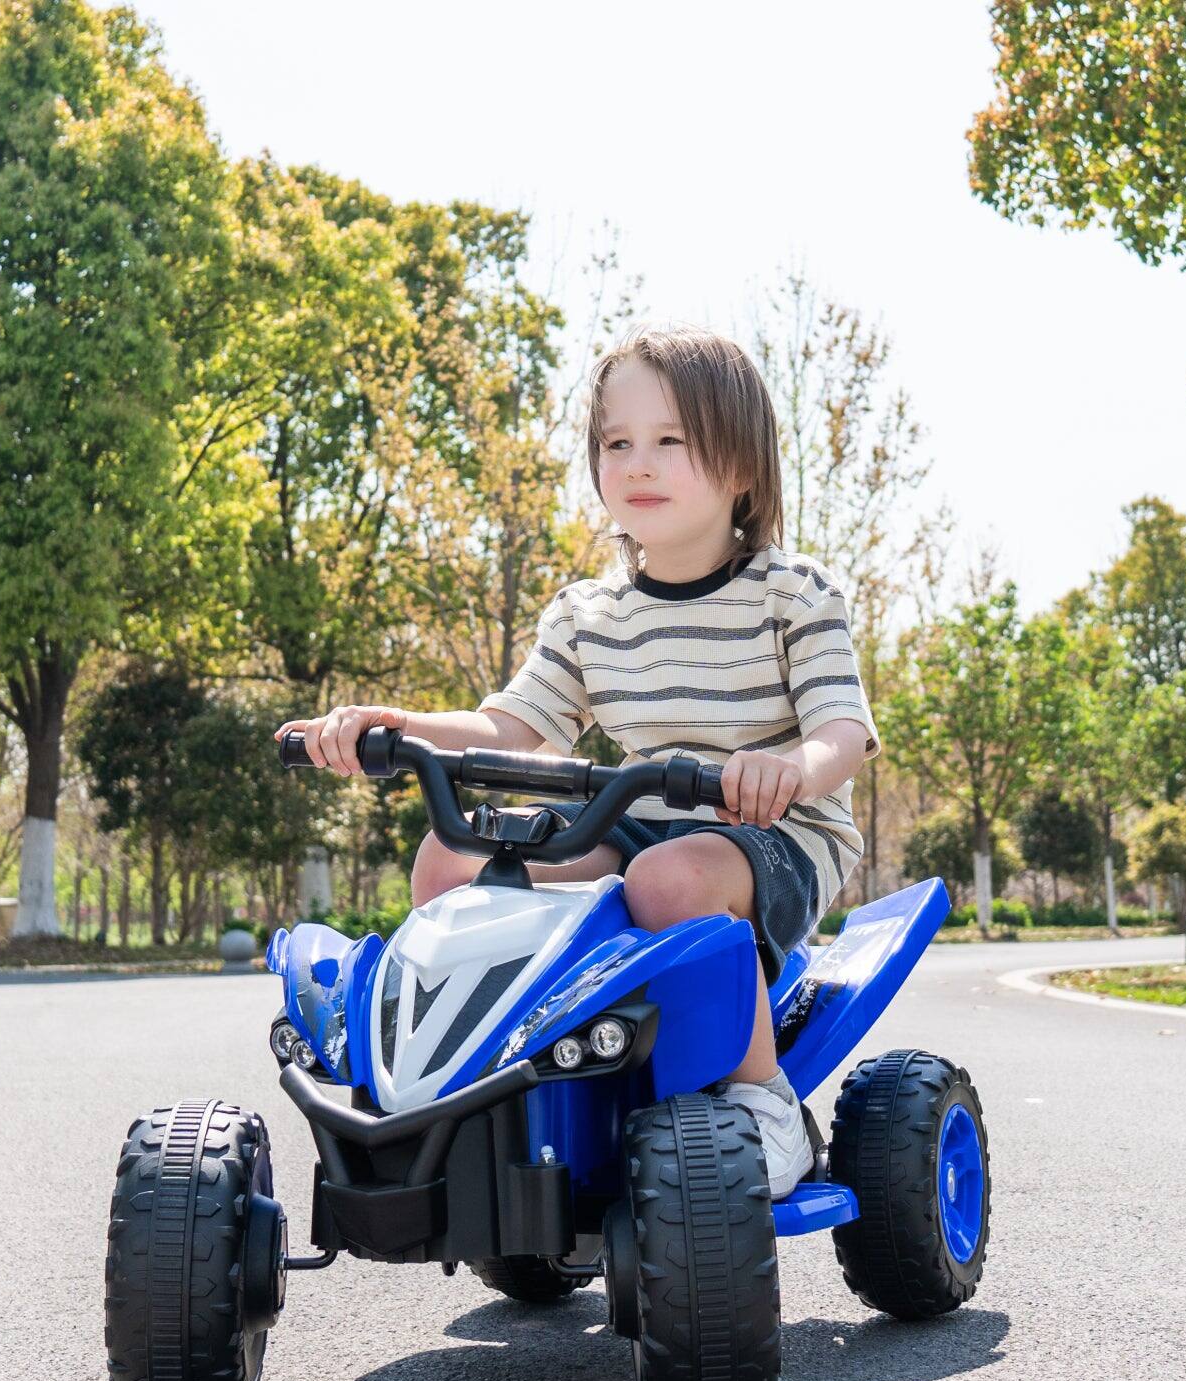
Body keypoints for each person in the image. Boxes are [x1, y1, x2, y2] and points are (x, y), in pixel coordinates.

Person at [278, 324, 879, 1198]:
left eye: (672, 440)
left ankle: (762, 1098)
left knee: (670, 882)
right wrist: (399, 725)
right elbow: (514, 728)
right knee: (453, 859)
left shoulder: (792, 594)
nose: (639, 463)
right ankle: (481, 1089)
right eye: (616, 443)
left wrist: (789, 766)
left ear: (743, 465)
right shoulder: (589, 613)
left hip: (776, 833)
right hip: (637, 818)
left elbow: (844, 732)